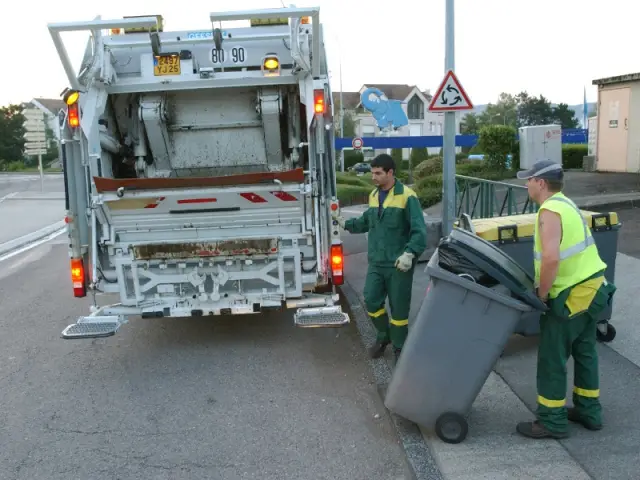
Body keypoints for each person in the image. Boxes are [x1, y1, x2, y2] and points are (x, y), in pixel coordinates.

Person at [514, 160, 616, 439]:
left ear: (542, 183)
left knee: (552, 356)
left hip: (573, 294)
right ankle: (588, 410)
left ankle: (552, 421)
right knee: (585, 351)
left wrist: (542, 295)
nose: (526, 185)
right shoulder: (566, 203)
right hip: (595, 288)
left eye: (529, 180)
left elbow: (550, 258)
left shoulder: (549, 210)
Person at [332, 154, 427, 362]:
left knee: (399, 310)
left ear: (390, 173)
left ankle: (400, 348)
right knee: (372, 300)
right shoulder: (374, 195)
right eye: (372, 173)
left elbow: (419, 231)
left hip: (398, 264)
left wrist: (409, 253)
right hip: (377, 261)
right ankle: (384, 336)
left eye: (377, 173)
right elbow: (367, 221)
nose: (373, 177)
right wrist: (344, 223)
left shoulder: (407, 197)